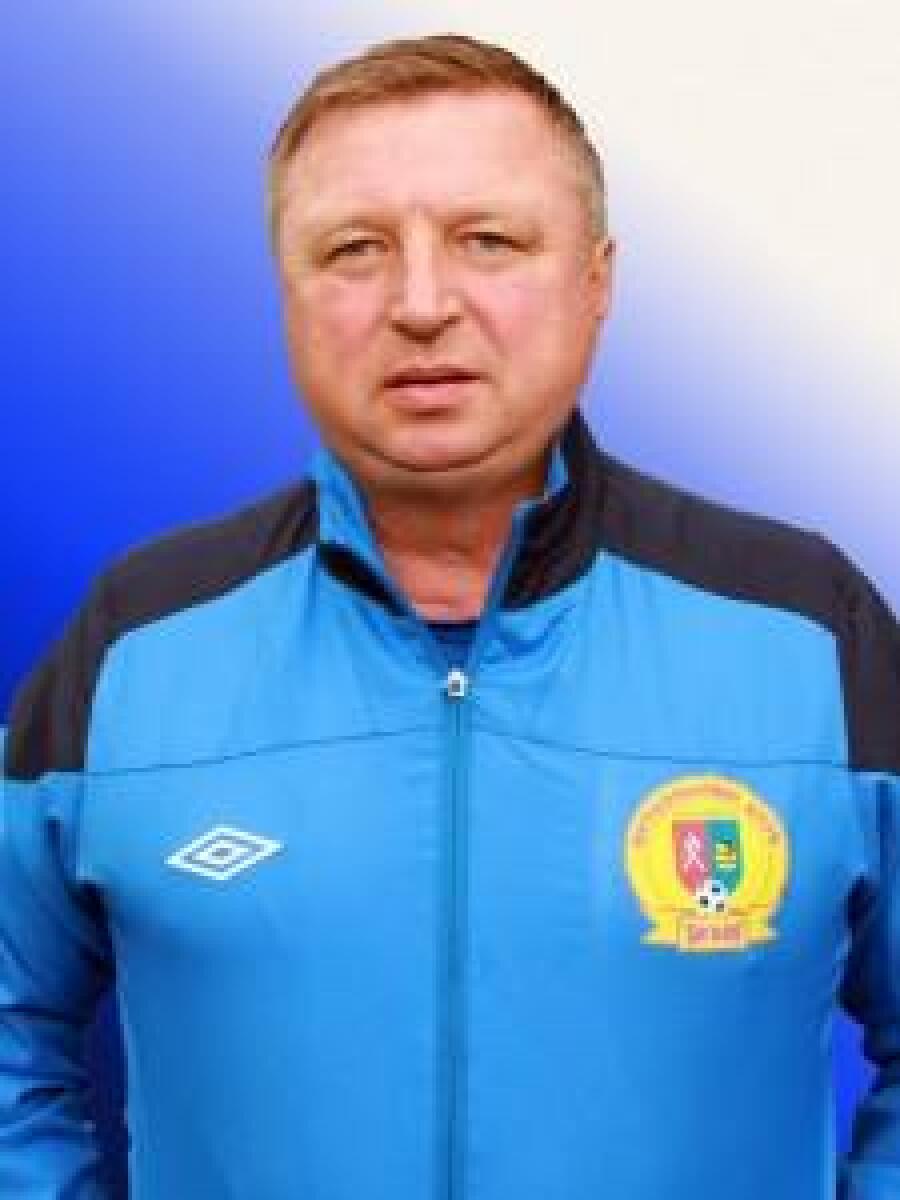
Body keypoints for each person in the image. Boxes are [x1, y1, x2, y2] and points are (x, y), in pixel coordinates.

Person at [1, 31, 897, 1200]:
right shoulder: (136, 643)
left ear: (598, 280)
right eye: (355, 250)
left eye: (489, 240)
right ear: (286, 292)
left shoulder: (807, 631)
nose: (422, 304)